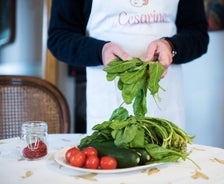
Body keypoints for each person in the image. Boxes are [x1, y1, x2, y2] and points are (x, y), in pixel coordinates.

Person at [47, 0, 209, 134]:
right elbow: (59, 38)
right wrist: (100, 51)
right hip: (108, 102)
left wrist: (171, 46)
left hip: (165, 104)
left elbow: (198, 35)